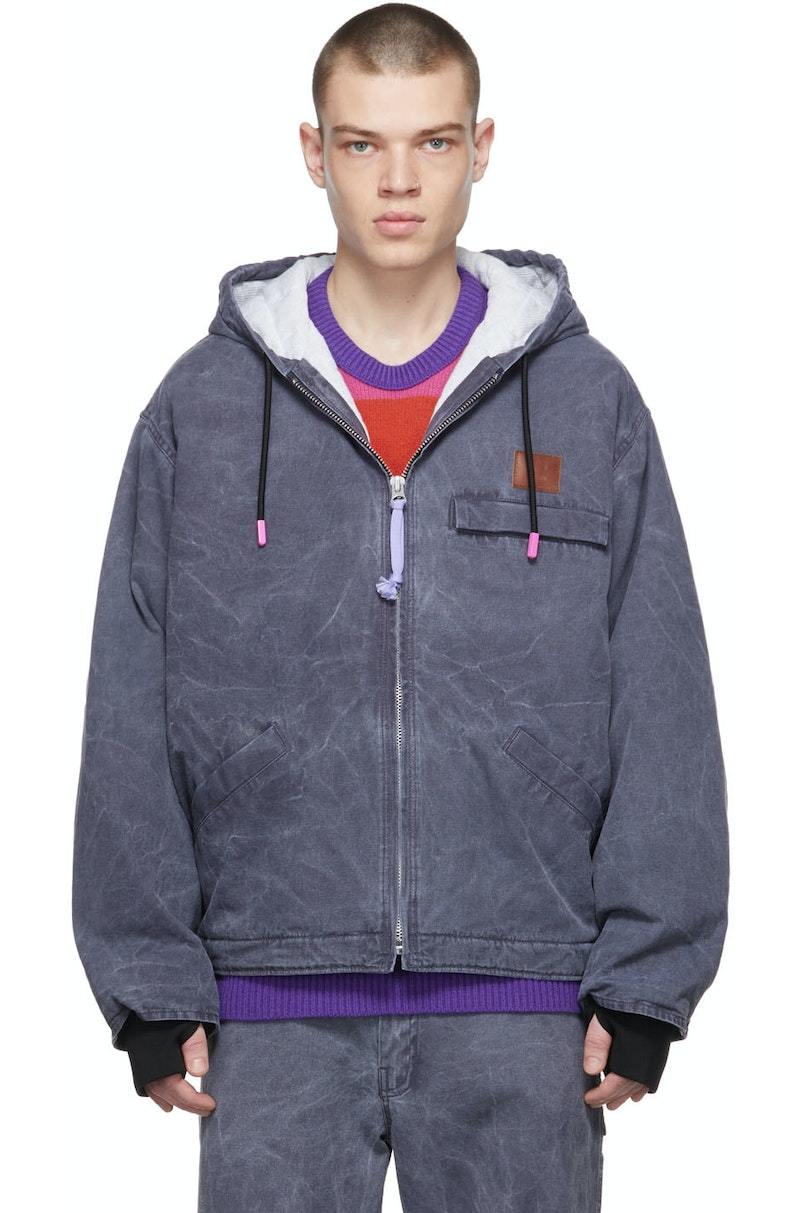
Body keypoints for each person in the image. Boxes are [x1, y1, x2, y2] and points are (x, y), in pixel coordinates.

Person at [71, 4, 729, 1209]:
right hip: (267, 1008)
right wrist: (148, 982)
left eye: (430, 142)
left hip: (521, 1005)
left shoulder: (584, 400)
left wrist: (645, 979)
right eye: (362, 144)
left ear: (480, 148)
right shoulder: (202, 408)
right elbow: (130, 687)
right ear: (312, 153)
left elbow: (661, 687)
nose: (397, 181)